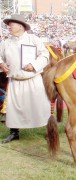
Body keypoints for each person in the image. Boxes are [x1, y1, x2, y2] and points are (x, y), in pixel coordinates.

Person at [0, 14, 51, 143]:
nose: (9, 26)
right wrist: (1, 64)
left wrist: (33, 65)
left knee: (40, 107)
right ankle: (14, 132)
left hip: (32, 80)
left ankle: (49, 131)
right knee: (14, 109)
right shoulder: (6, 42)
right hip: (15, 81)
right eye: (9, 24)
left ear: (20, 26)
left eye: (11, 24)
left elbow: (45, 55)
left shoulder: (33, 39)